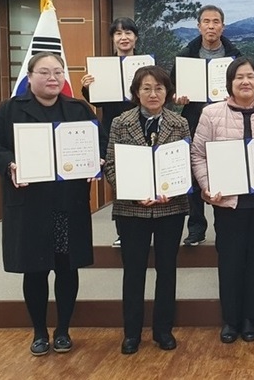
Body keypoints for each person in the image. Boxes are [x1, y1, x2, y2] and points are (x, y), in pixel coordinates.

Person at [0, 51, 102, 356]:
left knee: (66, 267)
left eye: (58, 72)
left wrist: (94, 162)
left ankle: (62, 330)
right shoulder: (10, 109)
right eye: (44, 72)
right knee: (35, 269)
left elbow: (97, 143)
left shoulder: (78, 108)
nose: (52, 78)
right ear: (30, 77)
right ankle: (38, 332)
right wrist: (10, 164)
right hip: (30, 205)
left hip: (66, 205)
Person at [191, 58, 254, 343]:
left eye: (251, 77)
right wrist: (208, 186)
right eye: (239, 77)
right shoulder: (211, 114)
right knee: (230, 262)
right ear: (229, 82)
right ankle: (230, 319)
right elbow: (198, 154)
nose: (246, 81)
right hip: (228, 203)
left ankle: (251, 318)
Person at [104, 65, 190, 355]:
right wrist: (134, 192)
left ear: (168, 92)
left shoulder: (180, 124)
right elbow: (112, 165)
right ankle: (131, 333)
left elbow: (184, 166)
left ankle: (163, 330)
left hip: (171, 207)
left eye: (159, 88)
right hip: (132, 210)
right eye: (146, 88)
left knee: (167, 270)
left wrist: (172, 189)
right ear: (136, 92)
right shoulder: (120, 122)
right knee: (134, 271)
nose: (153, 94)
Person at [172, 5, 242, 247]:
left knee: (227, 168)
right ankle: (196, 227)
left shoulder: (235, 54)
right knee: (194, 172)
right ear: (199, 25)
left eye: (216, 22)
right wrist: (177, 97)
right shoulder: (186, 55)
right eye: (206, 22)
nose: (211, 26)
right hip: (194, 119)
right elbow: (172, 87)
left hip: (227, 120)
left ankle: (228, 223)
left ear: (223, 26)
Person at [80, 17, 141, 248]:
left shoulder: (145, 65)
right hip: (113, 129)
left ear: (135, 37)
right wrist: (87, 88)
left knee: (144, 175)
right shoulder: (102, 68)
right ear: (113, 39)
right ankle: (123, 231)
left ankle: (147, 227)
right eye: (118, 33)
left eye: (128, 32)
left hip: (141, 128)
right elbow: (96, 101)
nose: (123, 37)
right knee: (120, 183)